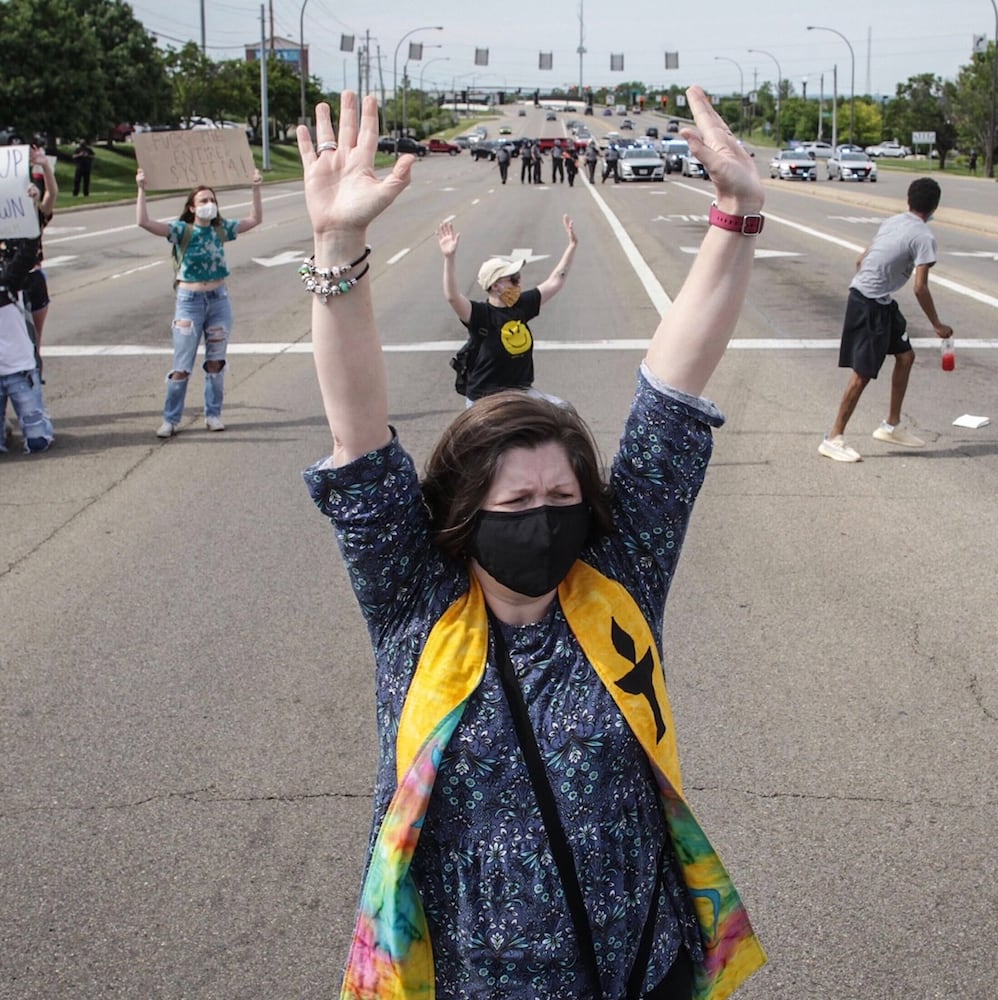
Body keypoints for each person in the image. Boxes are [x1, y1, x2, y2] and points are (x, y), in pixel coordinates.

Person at [298, 85, 767, 1000]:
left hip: (644, 970)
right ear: (464, 515)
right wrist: (336, 245)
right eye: (518, 502)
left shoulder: (617, 580)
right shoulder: (416, 606)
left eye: (563, 495)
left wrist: (737, 215)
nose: (545, 516)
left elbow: (673, 392)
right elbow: (359, 434)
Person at [819, 177, 953, 463]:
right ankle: (833, 438)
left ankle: (891, 426)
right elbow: (920, 287)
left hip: (877, 300)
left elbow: (861, 260)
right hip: (869, 304)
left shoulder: (893, 222)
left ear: (909, 200)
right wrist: (937, 325)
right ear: (934, 207)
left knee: (905, 357)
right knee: (862, 373)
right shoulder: (924, 238)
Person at [135, 167, 263, 437]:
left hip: (219, 302)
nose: (209, 205)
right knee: (182, 366)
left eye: (212, 200)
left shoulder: (221, 229)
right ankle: (170, 419)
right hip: (189, 302)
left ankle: (213, 414)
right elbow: (144, 222)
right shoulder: (182, 230)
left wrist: (255, 187)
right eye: (203, 201)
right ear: (192, 208)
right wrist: (141, 189)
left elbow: (254, 219)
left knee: (216, 362)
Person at [437, 214, 577, 403]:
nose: (519, 282)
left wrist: (572, 246)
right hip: (485, 400)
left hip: (521, 393)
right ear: (495, 286)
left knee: (564, 410)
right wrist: (449, 258)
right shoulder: (481, 315)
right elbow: (452, 297)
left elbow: (556, 280)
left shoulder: (521, 306)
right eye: (513, 279)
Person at [0, 227, 54, 454]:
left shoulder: (9, 279)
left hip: (19, 371)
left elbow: (29, 249)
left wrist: (28, 211)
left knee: (37, 443)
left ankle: (41, 421)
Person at [26, 145, 59, 378]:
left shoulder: (36, 214)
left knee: (33, 340)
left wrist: (44, 165)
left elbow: (52, 195)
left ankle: (35, 378)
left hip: (33, 279)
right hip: (6, 283)